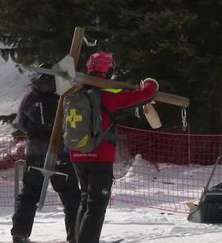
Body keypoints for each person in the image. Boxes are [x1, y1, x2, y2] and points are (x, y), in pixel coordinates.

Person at [68, 52, 159, 243]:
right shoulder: (110, 94)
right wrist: (150, 82)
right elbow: (146, 93)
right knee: (96, 206)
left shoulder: (76, 93)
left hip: (77, 153)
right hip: (100, 155)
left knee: (85, 199)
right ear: (108, 70)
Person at [11, 68, 81, 243]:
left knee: (29, 194)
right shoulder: (65, 95)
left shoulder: (30, 97)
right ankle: (76, 236)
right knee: (71, 196)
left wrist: (33, 133)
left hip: (36, 154)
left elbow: (20, 122)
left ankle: (20, 233)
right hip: (62, 153)